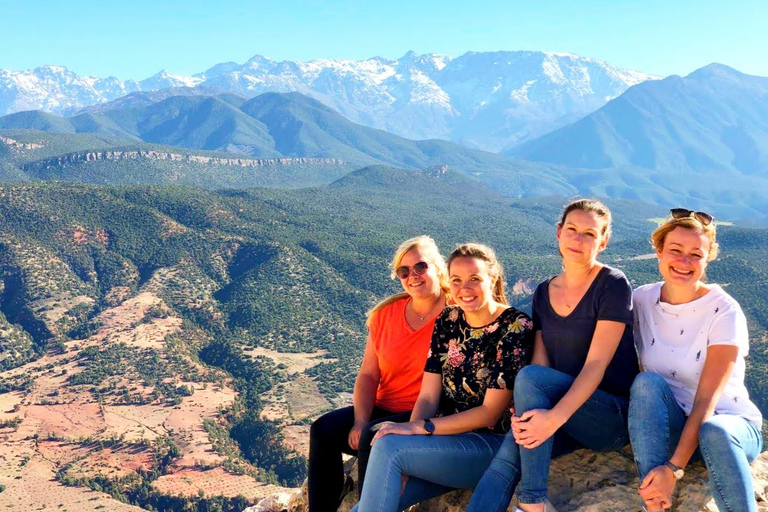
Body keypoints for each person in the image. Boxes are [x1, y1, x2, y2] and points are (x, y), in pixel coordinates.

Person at [466, 199, 639, 512]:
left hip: (609, 417)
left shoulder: (612, 285)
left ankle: (533, 501)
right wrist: (529, 414)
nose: (577, 239)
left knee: (530, 385)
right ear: (559, 232)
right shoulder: (544, 292)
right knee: (509, 455)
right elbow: (542, 362)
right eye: (571, 229)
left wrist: (552, 419)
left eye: (589, 233)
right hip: (565, 413)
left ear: (603, 241)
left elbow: (597, 365)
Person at [348, 243, 534, 512]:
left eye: (475, 279)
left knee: (388, 447)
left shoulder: (515, 326)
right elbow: (427, 396)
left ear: (493, 279)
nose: (464, 289)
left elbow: (489, 414)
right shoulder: (449, 318)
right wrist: (409, 435)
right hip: (443, 447)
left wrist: (419, 429)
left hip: (488, 447)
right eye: (457, 280)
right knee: (365, 505)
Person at [629, 208, 763, 512]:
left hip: (729, 429)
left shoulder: (724, 311)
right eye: (675, 250)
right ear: (659, 251)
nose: (684, 262)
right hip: (674, 424)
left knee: (714, 429)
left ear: (708, 259)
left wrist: (674, 469)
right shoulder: (641, 300)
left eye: (696, 254)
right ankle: (654, 501)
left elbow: (706, 402)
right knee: (646, 383)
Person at [308, 235, 449, 512]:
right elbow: (368, 375)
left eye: (421, 266)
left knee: (375, 438)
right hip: (384, 408)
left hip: (432, 415)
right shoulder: (385, 315)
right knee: (323, 430)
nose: (413, 276)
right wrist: (360, 420)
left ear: (438, 268)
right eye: (403, 271)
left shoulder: (455, 314)